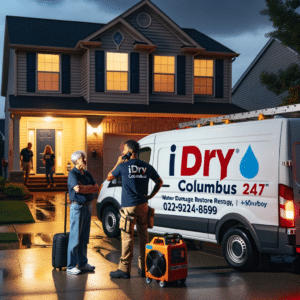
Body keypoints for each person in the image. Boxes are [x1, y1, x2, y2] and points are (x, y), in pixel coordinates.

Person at [107, 140, 163, 279]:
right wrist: (150, 195)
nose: (123, 152)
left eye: (125, 149)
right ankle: (144, 268)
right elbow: (159, 182)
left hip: (129, 207)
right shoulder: (146, 166)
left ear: (130, 151)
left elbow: (109, 177)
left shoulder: (123, 166)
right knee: (144, 237)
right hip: (143, 206)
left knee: (127, 238)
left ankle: (124, 270)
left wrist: (118, 162)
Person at [67, 150, 99, 275]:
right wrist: (88, 188)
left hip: (88, 206)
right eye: (82, 158)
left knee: (84, 237)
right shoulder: (72, 174)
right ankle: (70, 266)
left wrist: (85, 189)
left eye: (84, 157)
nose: (84, 160)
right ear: (76, 161)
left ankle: (83, 263)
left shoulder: (86, 173)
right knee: (75, 237)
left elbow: (96, 187)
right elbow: (77, 189)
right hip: (77, 208)